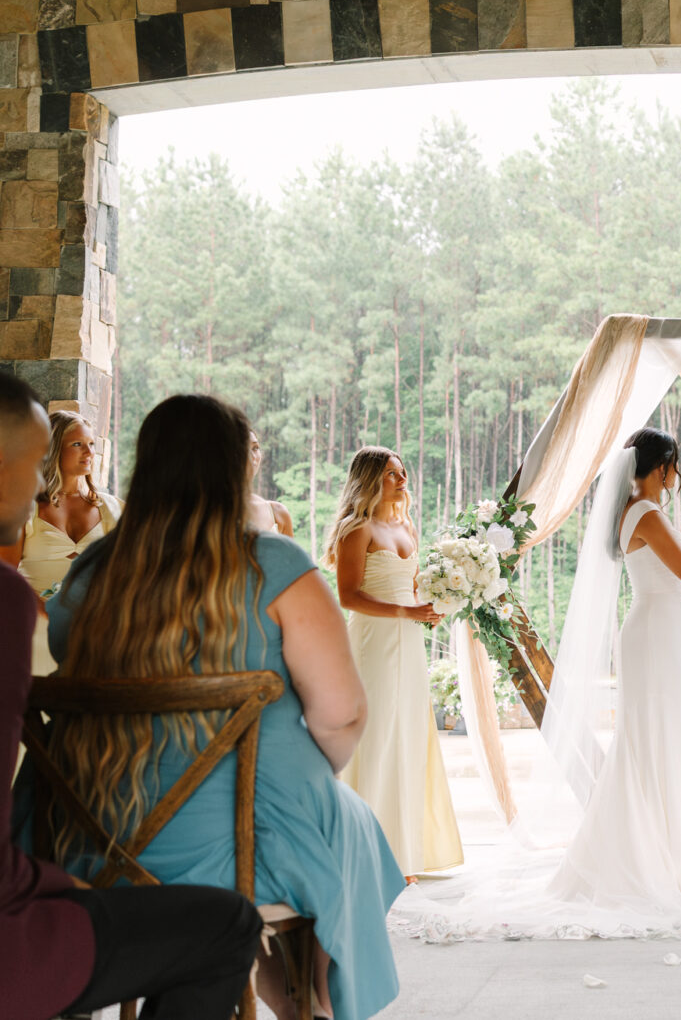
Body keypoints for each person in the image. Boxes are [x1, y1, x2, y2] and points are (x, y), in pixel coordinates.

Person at [38, 394, 406, 1020]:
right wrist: (302, 777)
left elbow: (72, 673)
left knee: (317, 818)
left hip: (92, 833)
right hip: (242, 847)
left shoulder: (93, 572)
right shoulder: (277, 566)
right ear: (237, 469)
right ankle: (306, 1002)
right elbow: (341, 716)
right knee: (340, 823)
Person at [396, 427, 681, 940]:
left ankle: (664, 854)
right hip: (651, 633)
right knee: (647, 743)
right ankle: (647, 858)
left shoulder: (638, 511)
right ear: (663, 466)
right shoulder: (646, 512)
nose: (676, 474)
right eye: (675, 465)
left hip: (657, 631)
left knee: (656, 742)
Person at [0, 374, 262, 1020]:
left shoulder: (88, 572)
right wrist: (59, 883)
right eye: (37, 461)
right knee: (228, 925)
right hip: (11, 949)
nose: (40, 486)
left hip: (87, 807)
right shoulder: (4, 601)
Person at [328, 446, 462, 882]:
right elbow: (349, 596)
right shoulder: (357, 529)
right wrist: (407, 612)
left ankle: (403, 851)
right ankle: (365, 851)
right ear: (370, 479)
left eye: (402, 472)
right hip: (373, 643)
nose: (402, 480)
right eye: (391, 474)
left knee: (407, 737)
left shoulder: (406, 525)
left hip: (409, 644)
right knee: (377, 738)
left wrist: (432, 602)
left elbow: (411, 585)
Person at [0, 410, 122, 676]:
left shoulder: (111, 509)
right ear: (53, 449)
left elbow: (127, 573)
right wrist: (47, 613)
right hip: (35, 619)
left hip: (98, 623)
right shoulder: (25, 508)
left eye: (91, 444)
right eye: (77, 444)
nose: (89, 453)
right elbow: (5, 576)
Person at [247, 429, 293, 536]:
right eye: (242, 449)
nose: (252, 457)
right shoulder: (207, 513)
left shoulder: (278, 513)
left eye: (255, 448)